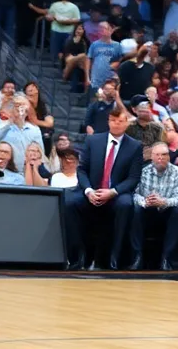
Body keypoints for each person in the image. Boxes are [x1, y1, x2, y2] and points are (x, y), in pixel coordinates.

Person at [71, 105, 143, 270]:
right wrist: (88, 191)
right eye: (113, 120)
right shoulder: (93, 140)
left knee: (126, 204)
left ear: (126, 124)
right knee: (70, 203)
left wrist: (112, 192)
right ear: (108, 122)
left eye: (120, 121)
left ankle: (114, 257)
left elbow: (133, 178)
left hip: (116, 192)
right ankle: (77, 256)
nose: (116, 124)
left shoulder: (135, 146)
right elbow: (82, 170)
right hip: (92, 190)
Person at [131, 143, 178, 270]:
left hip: (167, 212)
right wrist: (145, 202)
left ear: (169, 157)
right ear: (152, 157)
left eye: (164, 155)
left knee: (177, 211)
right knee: (136, 209)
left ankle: (167, 259)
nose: (160, 158)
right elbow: (134, 195)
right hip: (147, 211)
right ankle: (137, 257)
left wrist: (163, 202)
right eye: (157, 155)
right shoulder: (142, 172)